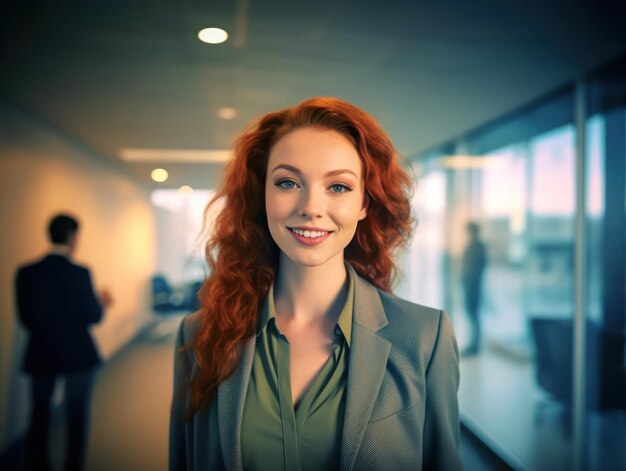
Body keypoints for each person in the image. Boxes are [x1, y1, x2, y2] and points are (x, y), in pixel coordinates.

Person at [170, 97, 462, 470]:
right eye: (288, 182)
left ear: (363, 204)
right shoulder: (199, 336)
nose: (311, 206)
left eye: (338, 187)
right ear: (263, 196)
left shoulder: (424, 337)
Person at [15, 214, 112, 471]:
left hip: (41, 350)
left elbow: (25, 319)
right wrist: (102, 303)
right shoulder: (79, 273)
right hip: (78, 352)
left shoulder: (26, 273)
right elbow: (92, 316)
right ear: (72, 236)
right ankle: (73, 465)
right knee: (76, 414)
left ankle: (37, 463)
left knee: (39, 411)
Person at [461, 221, 487, 356]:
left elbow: (479, 267)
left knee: (474, 315)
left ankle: (475, 345)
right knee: (472, 315)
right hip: (470, 286)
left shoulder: (478, 246)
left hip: (474, 287)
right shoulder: (473, 245)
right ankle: (473, 344)